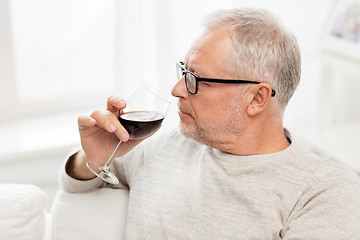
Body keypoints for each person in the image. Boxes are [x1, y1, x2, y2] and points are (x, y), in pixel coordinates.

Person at [60, 8, 360, 239]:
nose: (177, 89)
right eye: (183, 70)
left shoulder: (325, 192)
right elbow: (78, 184)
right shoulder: (166, 146)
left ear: (257, 98)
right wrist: (92, 158)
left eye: (196, 79)